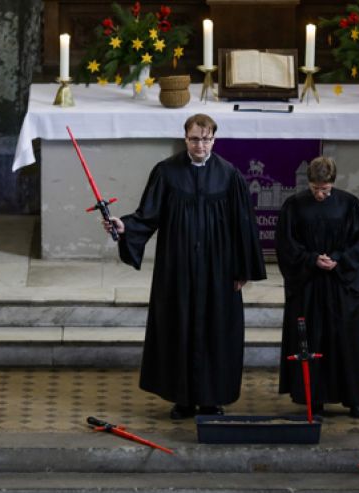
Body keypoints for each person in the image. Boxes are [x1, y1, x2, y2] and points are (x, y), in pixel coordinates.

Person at [103, 113, 266, 420]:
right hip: (177, 265)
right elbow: (148, 214)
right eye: (194, 139)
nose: (200, 145)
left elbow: (243, 225)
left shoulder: (229, 176)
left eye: (206, 139)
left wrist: (243, 270)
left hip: (218, 269)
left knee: (215, 330)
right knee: (178, 327)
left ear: (214, 139)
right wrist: (124, 226)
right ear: (185, 138)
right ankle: (182, 400)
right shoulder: (166, 172)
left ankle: (211, 399)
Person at [275, 156, 359, 418]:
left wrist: (338, 259)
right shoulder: (294, 205)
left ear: (333, 183)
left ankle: (353, 398)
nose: (319, 194)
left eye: (324, 189)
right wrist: (310, 258)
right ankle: (312, 397)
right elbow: (286, 243)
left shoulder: (349, 204)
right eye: (315, 188)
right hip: (308, 284)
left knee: (345, 340)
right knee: (311, 339)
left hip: (339, 284)